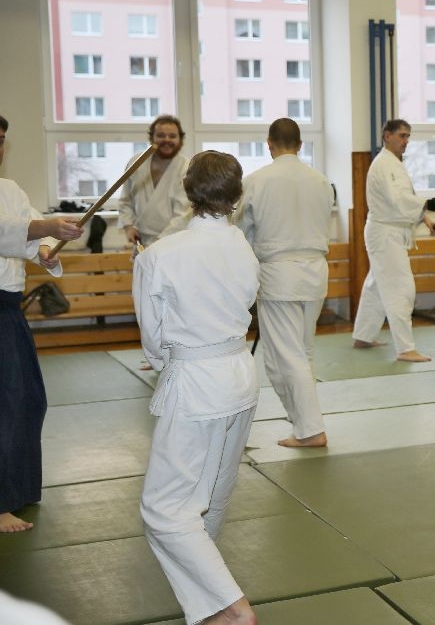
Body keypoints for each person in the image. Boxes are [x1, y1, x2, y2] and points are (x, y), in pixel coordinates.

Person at [133, 151, 260, 625]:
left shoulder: (160, 256)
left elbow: (153, 338)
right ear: (237, 195)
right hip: (240, 375)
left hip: (197, 381)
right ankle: (210, 610)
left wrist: (173, 365)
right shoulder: (242, 247)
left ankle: (233, 607)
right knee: (212, 494)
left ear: (187, 193)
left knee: (163, 510)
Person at [0, 114, 82, 534]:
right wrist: (43, 227)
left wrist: (47, 247)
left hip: (9, 311)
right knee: (5, 406)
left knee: (28, 400)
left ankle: (21, 487)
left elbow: (31, 232)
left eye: (0, 139)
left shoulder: (10, 190)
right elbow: (8, 231)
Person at [235, 118, 334, 448]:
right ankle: (304, 422)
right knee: (302, 352)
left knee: (285, 357)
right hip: (315, 271)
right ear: (300, 144)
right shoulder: (321, 181)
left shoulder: (257, 181)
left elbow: (242, 231)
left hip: (279, 273)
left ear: (269, 143)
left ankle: (309, 429)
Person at [352, 119, 435, 362]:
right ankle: (405, 348)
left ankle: (363, 335)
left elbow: (401, 201)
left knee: (376, 285)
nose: (406, 141)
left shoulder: (393, 164)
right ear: (387, 136)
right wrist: (428, 204)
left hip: (389, 230)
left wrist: (423, 216)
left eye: (408, 136)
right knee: (400, 288)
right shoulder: (384, 164)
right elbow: (397, 200)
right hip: (385, 234)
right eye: (402, 136)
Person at [118, 114, 192, 247]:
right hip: (141, 241)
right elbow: (125, 200)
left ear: (180, 139)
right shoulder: (136, 162)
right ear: (152, 137)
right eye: (161, 135)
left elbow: (183, 215)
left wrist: (158, 245)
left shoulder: (186, 169)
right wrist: (128, 226)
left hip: (173, 241)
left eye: (172, 136)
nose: (167, 140)